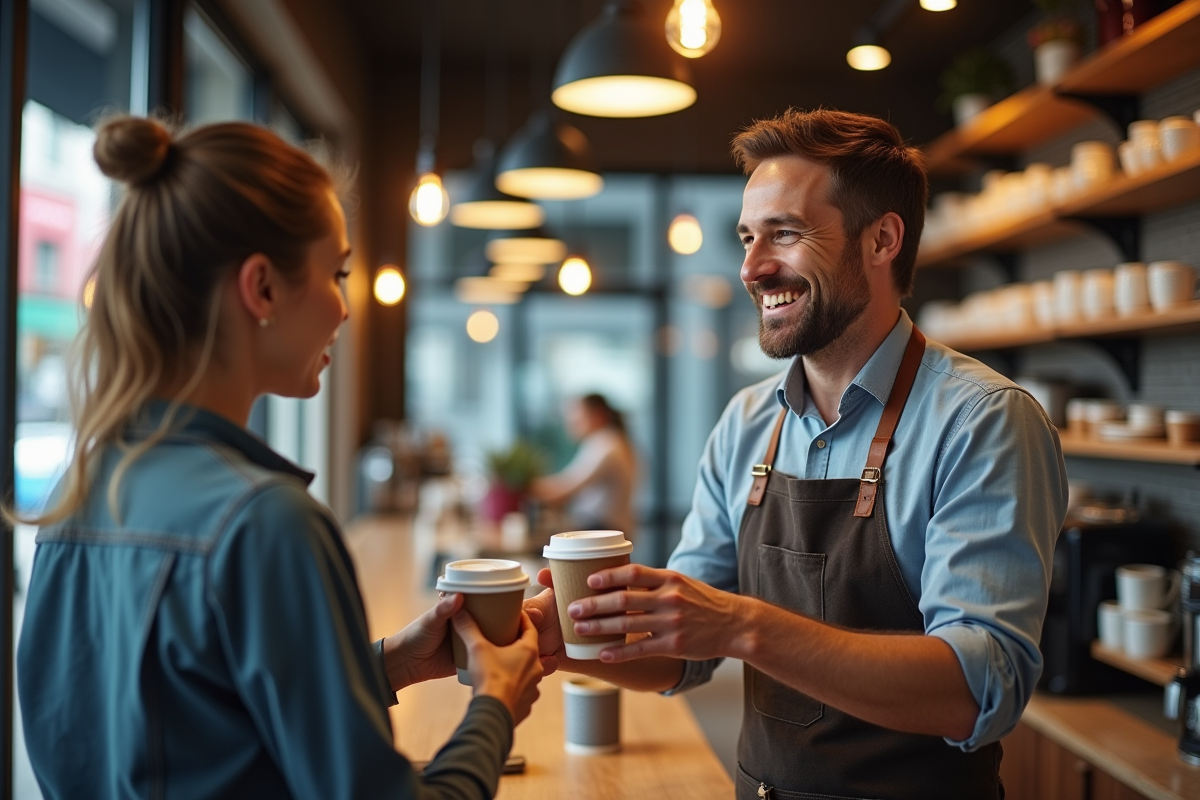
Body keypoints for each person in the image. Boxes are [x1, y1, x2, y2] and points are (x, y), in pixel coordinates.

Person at [526, 109, 1067, 800]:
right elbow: (686, 657)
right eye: (748, 236)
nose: (752, 267)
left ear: (882, 239)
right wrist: (569, 639)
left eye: (785, 233)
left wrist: (743, 624)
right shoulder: (747, 422)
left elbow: (979, 686)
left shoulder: (982, 422)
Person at [14, 116, 544, 800]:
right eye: (338, 272)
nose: (346, 308)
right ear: (261, 288)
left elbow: (183, 727)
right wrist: (495, 707)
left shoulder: (77, 493)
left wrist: (379, 666)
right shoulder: (264, 523)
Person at [529, 393, 637, 538]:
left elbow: (565, 489)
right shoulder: (607, 441)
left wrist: (524, 487)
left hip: (604, 531)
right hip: (606, 529)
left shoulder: (606, 445)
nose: (570, 423)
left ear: (598, 415)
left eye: (577, 417)